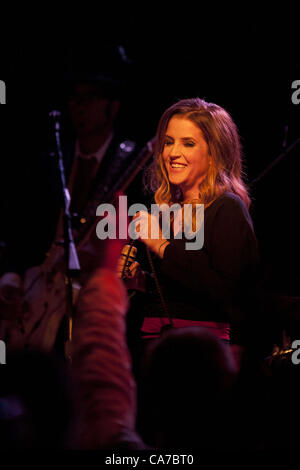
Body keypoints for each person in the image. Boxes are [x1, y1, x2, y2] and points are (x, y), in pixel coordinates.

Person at [0, 44, 145, 354]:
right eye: (74, 98)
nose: (79, 106)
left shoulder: (131, 166)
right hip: (36, 294)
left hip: (91, 304)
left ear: (112, 106)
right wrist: (11, 280)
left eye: (89, 98)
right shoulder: (52, 160)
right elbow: (19, 226)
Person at [122, 97, 260, 371]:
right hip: (153, 346)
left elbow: (226, 289)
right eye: (169, 142)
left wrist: (161, 245)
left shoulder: (227, 207)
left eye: (188, 143)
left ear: (213, 154)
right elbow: (183, 285)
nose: (172, 152)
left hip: (200, 357)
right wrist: (141, 281)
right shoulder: (166, 211)